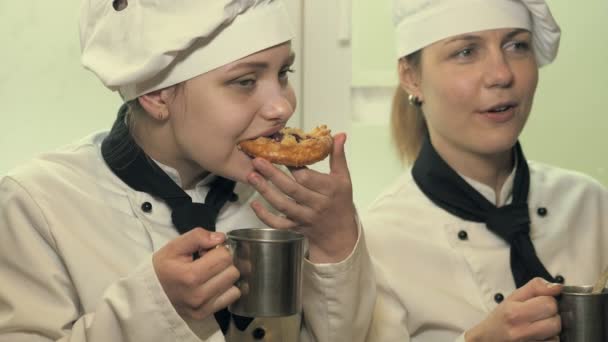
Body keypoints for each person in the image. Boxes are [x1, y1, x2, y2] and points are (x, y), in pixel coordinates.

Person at [0, 0, 375, 341]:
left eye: (283, 73)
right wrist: (155, 309)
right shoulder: (37, 207)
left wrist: (335, 245)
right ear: (156, 95)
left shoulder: (290, 202)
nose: (282, 106)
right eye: (245, 81)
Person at [362, 0, 608, 341]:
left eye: (517, 45)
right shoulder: (378, 242)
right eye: (466, 52)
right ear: (411, 77)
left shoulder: (591, 205)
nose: (501, 74)